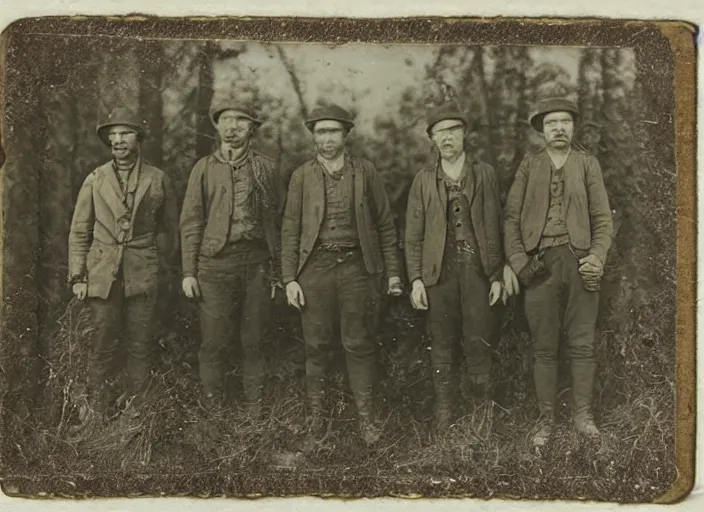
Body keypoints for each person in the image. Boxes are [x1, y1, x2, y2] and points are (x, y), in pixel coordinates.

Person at [281, 104, 402, 447]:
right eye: (321, 131)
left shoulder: (365, 172)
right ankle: (317, 421)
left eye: (333, 131)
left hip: (356, 268)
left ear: (346, 134)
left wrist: (393, 274)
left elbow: (385, 225)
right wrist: (290, 278)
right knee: (316, 347)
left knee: (359, 343)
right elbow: (289, 229)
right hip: (315, 270)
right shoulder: (302, 176)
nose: (327, 138)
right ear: (313, 136)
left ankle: (367, 421)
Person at [504, 97, 613, 447]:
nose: (559, 128)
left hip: (579, 262)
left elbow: (602, 219)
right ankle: (545, 420)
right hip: (540, 267)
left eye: (565, 122)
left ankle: (583, 417)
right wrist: (520, 264)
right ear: (542, 130)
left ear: (574, 127)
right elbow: (510, 220)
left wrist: (596, 257)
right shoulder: (529, 166)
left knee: (582, 344)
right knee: (545, 347)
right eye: (552, 123)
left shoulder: (587, 164)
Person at [404, 102, 519, 433]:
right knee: (441, 342)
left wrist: (497, 273)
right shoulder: (424, 180)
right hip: (438, 272)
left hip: (477, 272)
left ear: (464, 134)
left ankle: (480, 414)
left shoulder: (484, 174)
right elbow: (413, 236)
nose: (448, 137)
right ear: (432, 140)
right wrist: (416, 280)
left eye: (454, 130)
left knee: (478, 340)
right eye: (440, 132)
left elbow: (495, 225)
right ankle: (445, 413)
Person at [68, 106, 179, 416]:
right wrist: (78, 276)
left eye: (124, 133)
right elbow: (79, 230)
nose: (117, 140)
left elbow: (173, 230)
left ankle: (137, 418)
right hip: (103, 273)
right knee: (102, 344)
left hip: (143, 273)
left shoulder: (158, 179)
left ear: (138, 138)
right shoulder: (95, 178)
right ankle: (96, 417)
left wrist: (162, 268)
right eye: (112, 135)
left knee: (140, 346)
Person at [180, 100, 283, 418]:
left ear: (252, 129)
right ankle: (214, 413)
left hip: (257, 264)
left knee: (254, 341)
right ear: (217, 127)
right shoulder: (203, 168)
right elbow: (191, 221)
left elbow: (276, 219)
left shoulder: (266, 168)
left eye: (241, 120)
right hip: (214, 265)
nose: (233, 126)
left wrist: (278, 270)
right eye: (226, 120)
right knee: (213, 343)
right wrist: (189, 271)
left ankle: (255, 413)